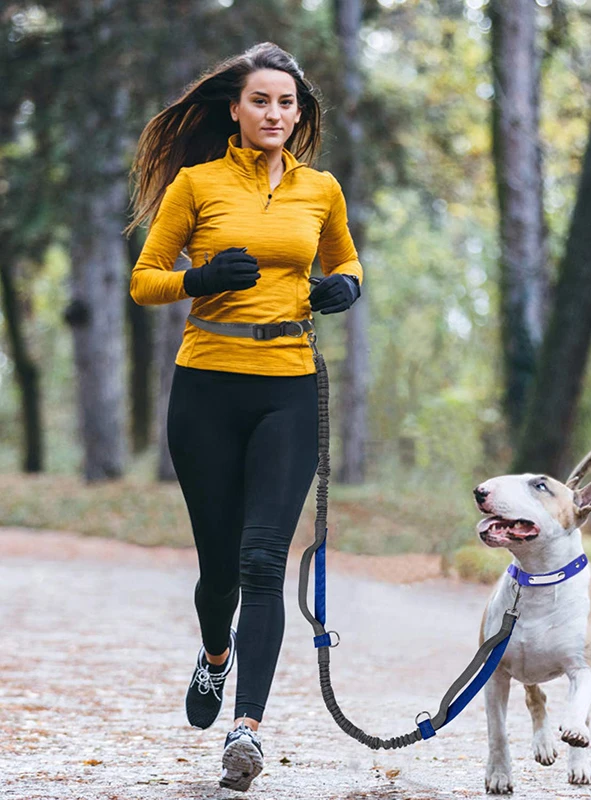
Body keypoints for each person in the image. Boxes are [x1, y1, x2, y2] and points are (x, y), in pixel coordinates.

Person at [125, 41, 363, 792]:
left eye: (287, 103)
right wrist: (196, 277)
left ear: (299, 114)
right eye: (261, 100)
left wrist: (344, 290)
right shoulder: (195, 185)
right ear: (235, 107)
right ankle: (215, 656)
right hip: (206, 389)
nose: (274, 113)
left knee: (265, 559)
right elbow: (144, 281)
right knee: (220, 570)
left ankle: (247, 730)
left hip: (287, 386)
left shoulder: (321, 189)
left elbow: (347, 261)